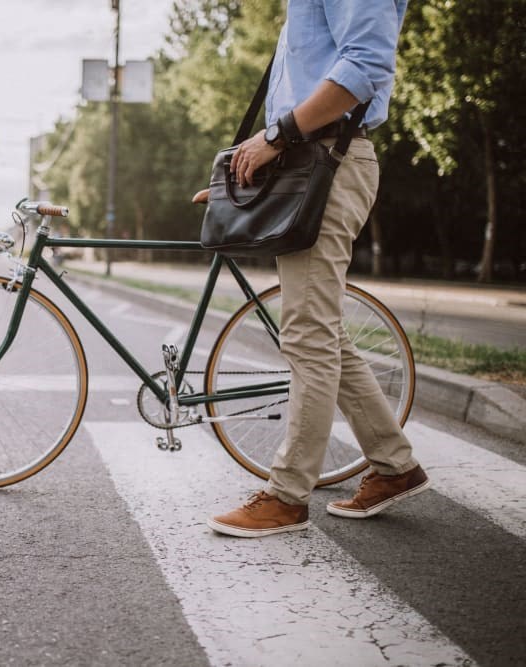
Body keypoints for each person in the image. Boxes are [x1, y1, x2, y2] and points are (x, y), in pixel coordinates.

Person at [192, 0, 428, 538]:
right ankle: (395, 465)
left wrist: (271, 138)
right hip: (306, 164)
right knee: (322, 335)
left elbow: (364, 66)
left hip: (329, 164)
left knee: (307, 336)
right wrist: (241, 183)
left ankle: (287, 496)